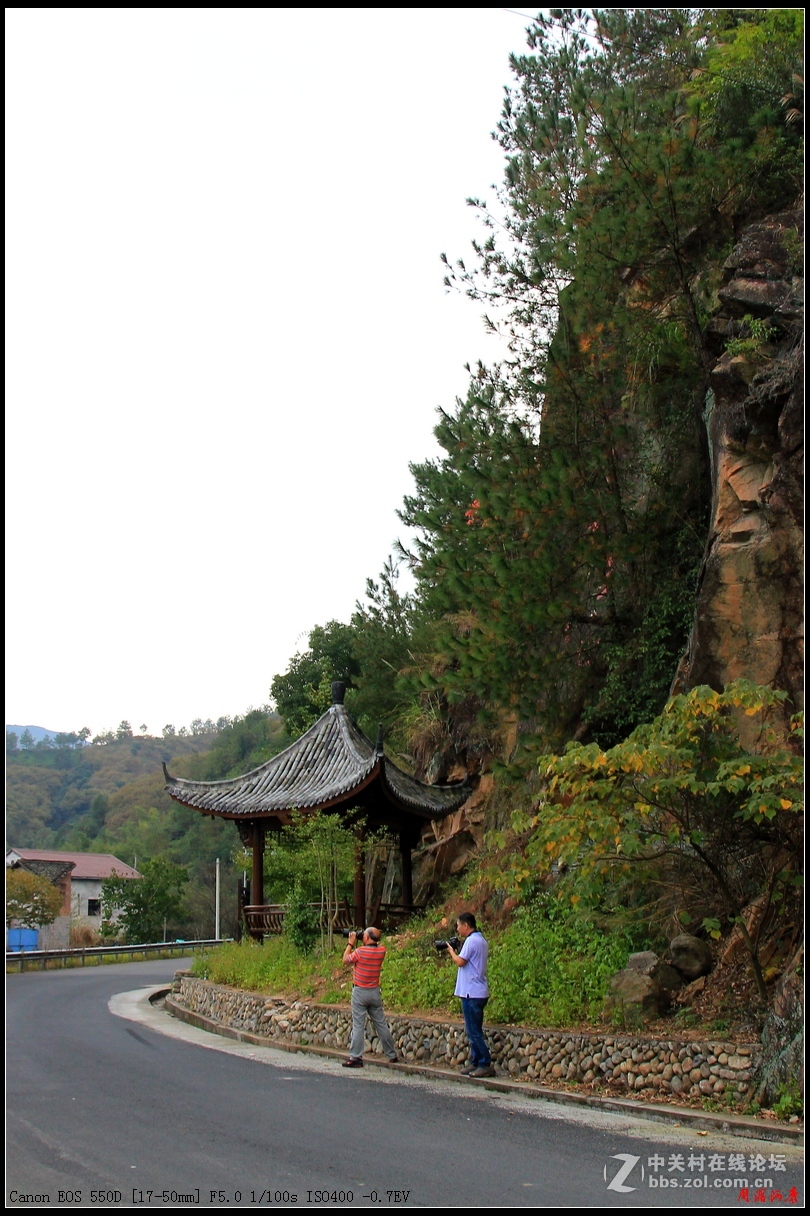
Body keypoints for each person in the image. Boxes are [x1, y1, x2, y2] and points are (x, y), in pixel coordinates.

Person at [342, 927, 399, 1068]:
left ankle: (356, 1057)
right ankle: (391, 1054)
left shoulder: (360, 952)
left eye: (364, 935)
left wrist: (351, 943)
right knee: (381, 1024)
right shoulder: (381, 951)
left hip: (360, 992)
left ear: (366, 938)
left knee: (358, 1025)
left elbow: (345, 960)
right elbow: (376, 945)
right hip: (374, 992)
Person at [446, 912, 494, 1077]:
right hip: (478, 990)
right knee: (474, 1028)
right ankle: (475, 1061)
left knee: (473, 1031)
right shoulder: (481, 940)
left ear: (466, 925)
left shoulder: (471, 941)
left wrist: (451, 951)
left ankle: (484, 1062)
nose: (457, 929)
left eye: (458, 925)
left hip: (471, 993)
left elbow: (460, 961)